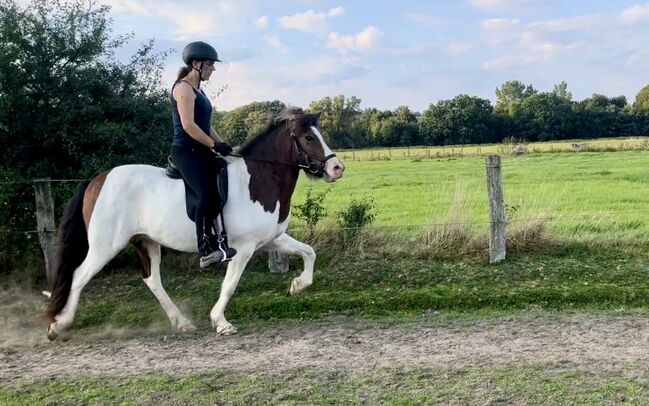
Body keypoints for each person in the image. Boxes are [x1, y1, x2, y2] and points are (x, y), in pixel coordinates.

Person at [170, 41, 237, 268]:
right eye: (210, 64)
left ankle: (222, 240)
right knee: (207, 194)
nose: (213, 69)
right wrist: (213, 145)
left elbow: (205, 125)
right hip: (185, 151)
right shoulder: (183, 89)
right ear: (196, 64)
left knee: (222, 184)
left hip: (200, 149)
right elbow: (188, 126)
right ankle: (205, 250)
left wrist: (222, 144)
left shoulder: (200, 91)